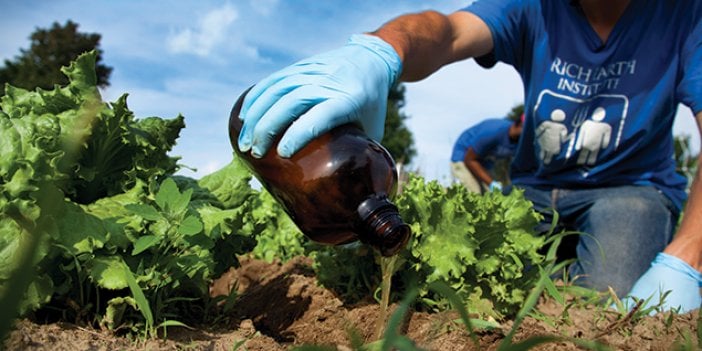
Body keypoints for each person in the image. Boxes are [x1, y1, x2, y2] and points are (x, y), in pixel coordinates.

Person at [235, 0, 702, 313]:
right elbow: (448, 32)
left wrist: (688, 257)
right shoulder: (535, 7)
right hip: (534, 190)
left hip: (632, 188)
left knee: (609, 300)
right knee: (450, 285)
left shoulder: (686, 16)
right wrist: (381, 52)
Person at [450, 115, 523, 193]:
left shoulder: (522, 141)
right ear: (519, 125)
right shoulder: (494, 131)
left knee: (494, 197)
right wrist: (491, 184)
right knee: (474, 195)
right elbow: (469, 160)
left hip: (484, 164)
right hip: (463, 158)